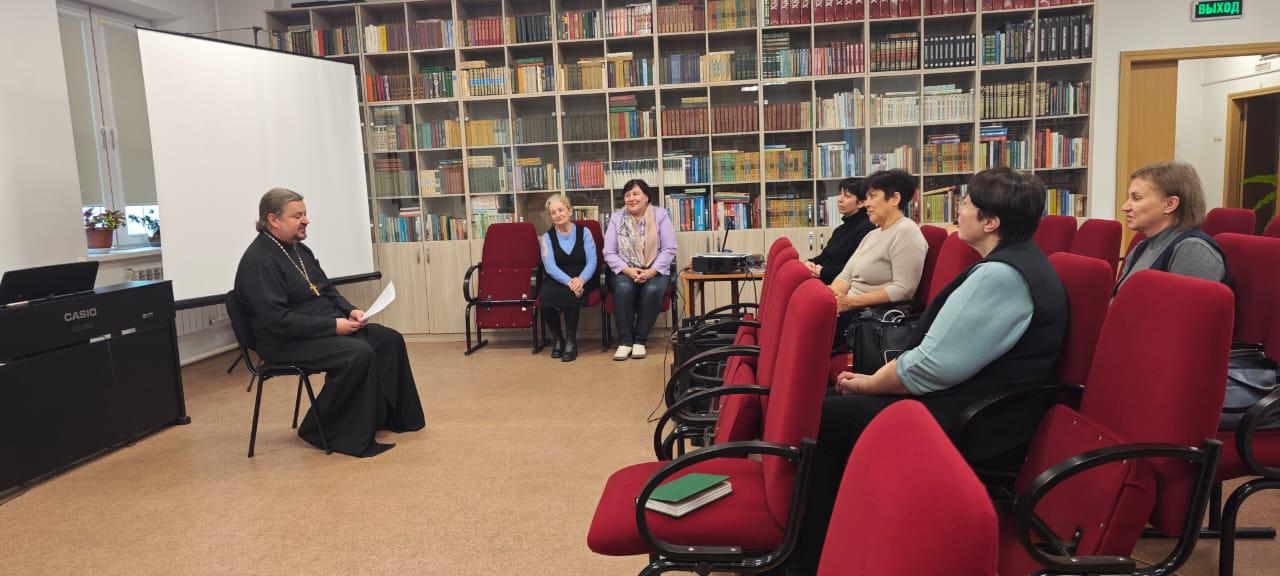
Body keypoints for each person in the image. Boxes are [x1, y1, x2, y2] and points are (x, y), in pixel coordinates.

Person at [781, 168, 1069, 574]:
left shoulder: (1002, 276)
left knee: (824, 418)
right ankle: (832, 541)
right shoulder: (1015, 264)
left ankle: (804, 560)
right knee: (830, 407)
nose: (959, 211)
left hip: (975, 422)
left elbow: (930, 368)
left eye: (966, 204)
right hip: (972, 404)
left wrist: (869, 384)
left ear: (990, 222)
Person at [233, 188, 425, 457]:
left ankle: (389, 417)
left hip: (319, 329)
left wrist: (350, 310)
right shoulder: (259, 261)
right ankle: (319, 428)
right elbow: (277, 320)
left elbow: (326, 289)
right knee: (357, 353)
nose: (306, 220)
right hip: (283, 342)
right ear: (273, 220)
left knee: (388, 339)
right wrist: (333, 327)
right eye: (297, 216)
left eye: (305, 214)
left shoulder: (299, 249)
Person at [829, 169, 928, 347]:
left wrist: (850, 303)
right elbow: (846, 275)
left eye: (873, 196)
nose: (867, 204)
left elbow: (904, 289)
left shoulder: (906, 231)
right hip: (848, 310)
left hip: (868, 319)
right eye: (866, 197)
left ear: (894, 199)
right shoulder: (872, 234)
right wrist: (832, 299)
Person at [1116, 160, 1228, 293]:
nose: (1125, 207)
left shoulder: (1194, 251)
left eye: (1136, 198)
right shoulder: (1141, 248)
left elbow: (1183, 306)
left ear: (1170, 205)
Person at [602, 179, 677, 361]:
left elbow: (669, 249)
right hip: (625, 269)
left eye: (635, 194)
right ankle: (625, 342)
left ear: (646, 197)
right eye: (627, 195)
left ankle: (639, 340)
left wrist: (651, 271)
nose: (631, 198)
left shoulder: (660, 215)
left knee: (652, 289)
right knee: (624, 288)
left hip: (655, 269)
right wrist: (627, 270)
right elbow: (609, 252)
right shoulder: (617, 218)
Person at [538, 194, 597, 362]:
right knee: (546, 296)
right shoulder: (547, 237)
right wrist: (570, 282)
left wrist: (581, 280)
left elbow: (592, 260)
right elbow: (550, 266)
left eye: (561, 210)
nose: (557, 215)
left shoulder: (585, 232)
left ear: (569, 211)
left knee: (571, 294)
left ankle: (571, 340)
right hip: (558, 277)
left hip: (583, 275)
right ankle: (558, 339)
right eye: (553, 212)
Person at [805, 178, 875, 285]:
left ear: (861, 203)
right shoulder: (840, 229)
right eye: (839, 194)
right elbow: (825, 256)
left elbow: (854, 268)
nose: (840, 199)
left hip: (839, 286)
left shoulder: (866, 229)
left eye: (847, 196)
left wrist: (822, 272)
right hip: (824, 279)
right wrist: (809, 263)